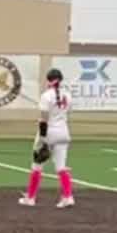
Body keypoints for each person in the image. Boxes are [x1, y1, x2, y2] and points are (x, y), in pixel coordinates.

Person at [19, 66, 74, 209]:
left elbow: (44, 120)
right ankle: (68, 197)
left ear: (48, 81)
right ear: (60, 80)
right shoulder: (68, 95)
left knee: (37, 166)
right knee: (61, 167)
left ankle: (30, 198)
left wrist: (42, 139)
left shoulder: (46, 96)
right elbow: (66, 113)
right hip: (63, 132)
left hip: (49, 133)